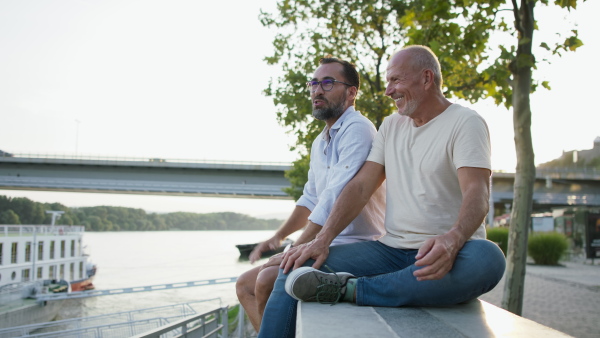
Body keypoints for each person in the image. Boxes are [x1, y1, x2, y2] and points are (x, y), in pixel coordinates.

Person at [258, 45, 507, 338]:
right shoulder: (390, 126)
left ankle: (351, 289)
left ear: (427, 78)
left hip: (448, 251)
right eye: (388, 82)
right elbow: (361, 186)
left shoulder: (466, 122)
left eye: (396, 81)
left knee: (488, 259)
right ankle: (400, 286)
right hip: (389, 251)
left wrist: (453, 239)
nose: (388, 91)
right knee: (295, 264)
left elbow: (478, 192)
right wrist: (321, 240)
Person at [236, 56, 386, 332]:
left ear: (352, 93)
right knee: (245, 285)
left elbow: (336, 194)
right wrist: (278, 237)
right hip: (327, 241)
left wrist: (295, 248)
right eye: (314, 83)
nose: (317, 90)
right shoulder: (320, 142)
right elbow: (310, 199)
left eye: (328, 83)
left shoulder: (358, 129)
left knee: (268, 279)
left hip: (359, 242)